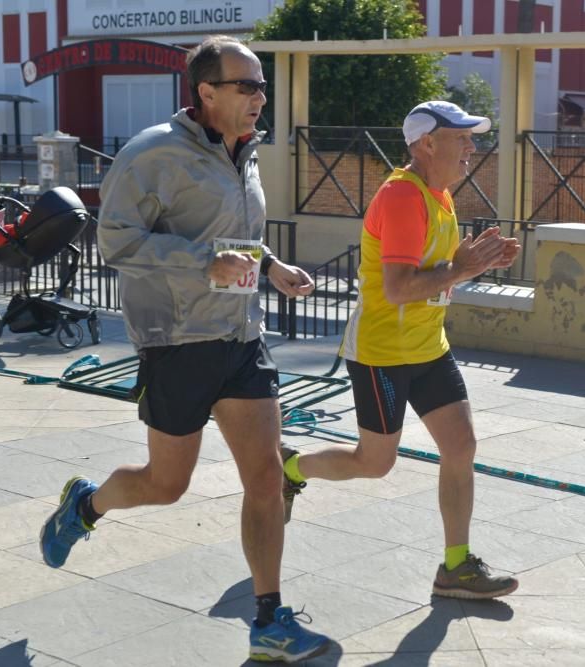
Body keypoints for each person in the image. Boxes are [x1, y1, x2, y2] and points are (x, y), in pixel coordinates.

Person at [38, 35, 329, 663]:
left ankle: (269, 620)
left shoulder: (243, 152)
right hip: (176, 342)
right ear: (206, 92)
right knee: (166, 485)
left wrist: (272, 266)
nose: (260, 96)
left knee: (267, 478)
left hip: (241, 340)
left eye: (261, 86)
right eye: (246, 86)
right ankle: (85, 504)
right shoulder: (153, 155)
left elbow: (236, 241)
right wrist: (204, 264)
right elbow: (115, 243)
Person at [282, 101, 522, 600]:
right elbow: (397, 288)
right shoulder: (400, 197)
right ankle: (289, 468)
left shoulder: (441, 195)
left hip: (429, 346)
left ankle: (455, 567)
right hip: (383, 354)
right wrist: (461, 269)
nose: (472, 148)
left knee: (462, 446)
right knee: (375, 463)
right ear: (427, 144)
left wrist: (474, 261)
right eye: (462, 138)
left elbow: (436, 272)